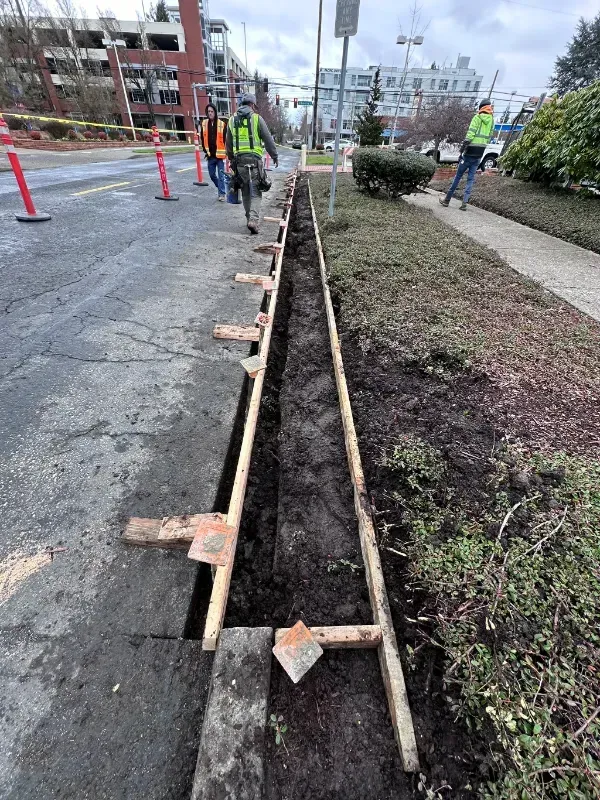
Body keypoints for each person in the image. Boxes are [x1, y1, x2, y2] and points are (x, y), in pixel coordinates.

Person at [226, 93, 278, 234]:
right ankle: (253, 220)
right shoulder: (256, 119)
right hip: (254, 162)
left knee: (245, 192)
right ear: (252, 105)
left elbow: (228, 144)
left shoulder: (231, 120)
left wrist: (231, 160)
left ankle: (249, 218)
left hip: (239, 162)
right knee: (255, 192)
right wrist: (274, 155)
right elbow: (268, 139)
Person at [439, 99, 494, 211]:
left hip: (469, 152)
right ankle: (464, 203)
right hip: (479, 154)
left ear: (481, 107)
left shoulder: (477, 118)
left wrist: (462, 150)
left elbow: (470, 135)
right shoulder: (492, 120)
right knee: (470, 179)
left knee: (458, 177)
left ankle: (447, 200)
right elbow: (489, 136)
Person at [200, 103, 227, 201]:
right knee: (212, 175)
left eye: (212, 111)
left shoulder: (222, 124)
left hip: (219, 156)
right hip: (210, 155)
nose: (210, 113)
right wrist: (204, 150)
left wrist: (227, 152)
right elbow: (203, 138)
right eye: (208, 112)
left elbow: (225, 140)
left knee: (221, 176)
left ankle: (222, 194)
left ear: (215, 112)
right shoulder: (204, 123)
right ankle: (221, 188)